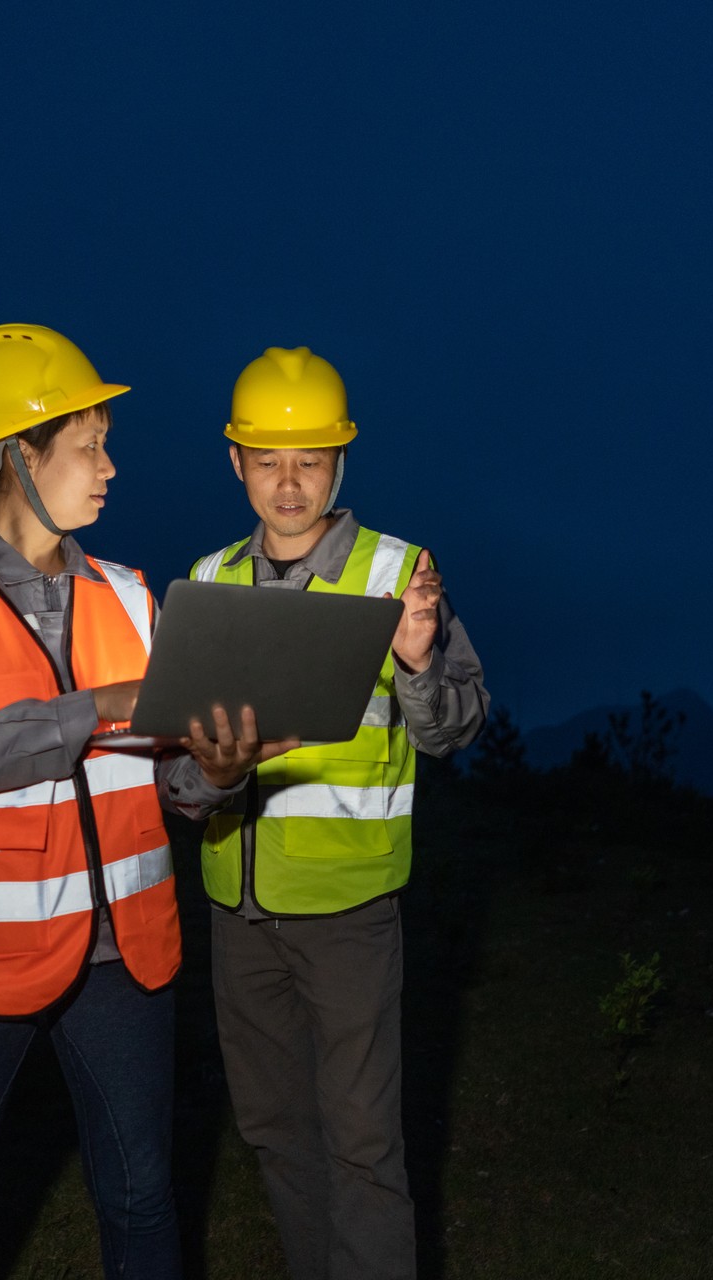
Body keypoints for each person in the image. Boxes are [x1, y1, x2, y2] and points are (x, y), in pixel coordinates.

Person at [0, 324, 287, 1280]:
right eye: (91, 447)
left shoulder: (132, 598)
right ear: (16, 454)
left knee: (143, 1205)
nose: (112, 469)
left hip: (123, 959)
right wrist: (98, 707)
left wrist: (220, 770)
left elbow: (171, 783)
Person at [188, 346, 489, 1280]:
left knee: (363, 1150)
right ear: (234, 462)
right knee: (276, 1134)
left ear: (340, 463)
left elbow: (454, 730)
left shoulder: (401, 571)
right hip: (237, 915)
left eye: (310, 460)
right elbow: (179, 771)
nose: (289, 483)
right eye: (269, 460)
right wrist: (207, 777)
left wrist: (417, 662)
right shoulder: (206, 582)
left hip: (351, 917)